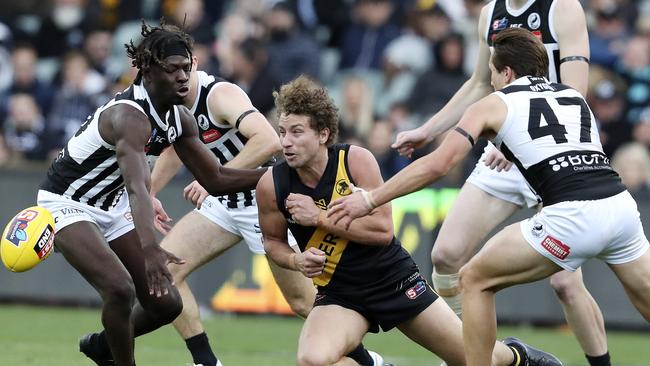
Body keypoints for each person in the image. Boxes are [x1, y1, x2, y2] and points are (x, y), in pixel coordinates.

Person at [327, 27, 650, 366]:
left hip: (571, 218)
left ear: (506, 72)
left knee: (474, 280)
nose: (491, 82)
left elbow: (439, 165)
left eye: (493, 74)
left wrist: (371, 199)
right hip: (621, 209)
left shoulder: (495, 103)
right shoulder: (574, 97)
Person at [258, 75, 563, 366]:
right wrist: (296, 262)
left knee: (473, 359)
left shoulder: (354, 161)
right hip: (340, 293)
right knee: (312, 360)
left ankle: (516, 356)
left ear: (323, 134)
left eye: (297, 132)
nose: (286, 142)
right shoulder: (273, 185)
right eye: (282, 132)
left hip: (392, 279)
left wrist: (320, 217)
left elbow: (382, 231)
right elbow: (272, 242)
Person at [391, 1, 613, 365]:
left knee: (566, 284)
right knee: (445, 257)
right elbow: (480, 83)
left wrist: (524, 137)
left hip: (556, 153)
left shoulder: (563, 8)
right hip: (505, 151)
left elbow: (575, 93)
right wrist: (427, 130)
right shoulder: (488, 14)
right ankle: (482, 357)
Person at [36, 21, 264, 366]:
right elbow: (138, 188)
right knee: (120, 289)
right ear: (147, 71)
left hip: (110, 205)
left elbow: (216, 178)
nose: (184, 77)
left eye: (187, 68)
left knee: (167, 303)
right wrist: (150, 247)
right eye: (173, 70)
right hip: (66, 203)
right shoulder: (129, 116)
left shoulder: (179, 117)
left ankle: (105, 346)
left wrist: (279, 176)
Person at [145, 58, 384, 366]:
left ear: (191, 65)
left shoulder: (219, 95)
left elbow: (269, 140)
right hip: (223, 204)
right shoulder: (174, 104)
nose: (170, 77)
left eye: (176, 68)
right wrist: (149, 192)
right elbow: (176, 146)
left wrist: (214, 180)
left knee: (303, 302)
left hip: (260, 200)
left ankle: (369, 362)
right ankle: (205, 361)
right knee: (164, 271)